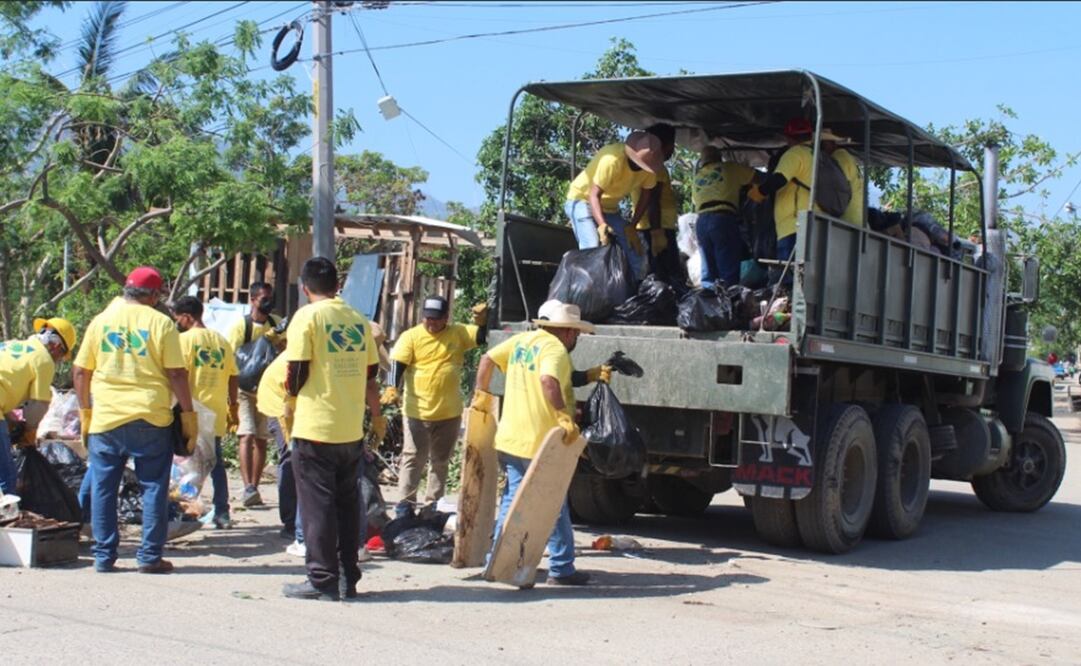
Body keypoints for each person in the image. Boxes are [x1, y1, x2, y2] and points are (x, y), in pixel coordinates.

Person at [473, 299, 611, 587]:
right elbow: (549, 381)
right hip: (540, 442)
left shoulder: (522, 341)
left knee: (512, 502)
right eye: (576, 333)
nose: (577, 338)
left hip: (511, 438)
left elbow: (487, 359)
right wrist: (562, 414)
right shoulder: (555, 349)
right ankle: (561, 568)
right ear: (568, 331)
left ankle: (496, 562)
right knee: (553, 502)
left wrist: (481, 395)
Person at [72, 266, 197, 574]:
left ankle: (104, 556)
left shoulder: (101, 321)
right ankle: (150, 557)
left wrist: (85, 410)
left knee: (103, 487)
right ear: (153, 295)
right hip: (150, 417)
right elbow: (176, 373)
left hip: (107, 418)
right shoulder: (161, 323)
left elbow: (80, 371)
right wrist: (188, 413)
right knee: (153, 486)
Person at [281, 257, 386, 601]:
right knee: (347, 506)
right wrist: (374, 414)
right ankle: (347, 578)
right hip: (350, 429)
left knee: (317, 508)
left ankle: (322, 580)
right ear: (338, 285)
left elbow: (296, 369)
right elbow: (370, 373)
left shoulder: (308, 317)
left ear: (304, 288)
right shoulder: (357, 320)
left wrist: (289, 400)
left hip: (315, 427)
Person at [382, 296, 488, 506]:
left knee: (440, 462)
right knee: (413, 458)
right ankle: (405, 506)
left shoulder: (458, 333)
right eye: (428, 318)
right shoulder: (411, 337)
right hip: (417, 412)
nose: (431, 323)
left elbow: (483, 337)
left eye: (436, 319)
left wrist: (483, 322)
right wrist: (392, 387)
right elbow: (397, 364)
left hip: (449, 414)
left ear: (446, 317)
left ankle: (433, 506)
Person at [171, 296, 239, 530]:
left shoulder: (184, 341)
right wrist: (233, 406)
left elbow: (177, 374)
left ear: (187, 317)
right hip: (215, 413)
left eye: (178, 319)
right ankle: (222, 512)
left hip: (189, 412)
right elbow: (233, 375)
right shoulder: (221, 341)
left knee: (182, 465)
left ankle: (180, 509)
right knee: (215, 463)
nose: (177, 323)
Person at [565, 130, 664, 281]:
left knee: (635, 249)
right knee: (593, 246)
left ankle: (637, 287)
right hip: (582, 200)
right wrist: (602, 225)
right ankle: (589, 288)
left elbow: (646, 197)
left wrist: (632, 226)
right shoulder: (612, 159)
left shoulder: (649, 170)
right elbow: (593, 195)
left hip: (610, 209)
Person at [0, 317, 77, 494]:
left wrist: (12, 420)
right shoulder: (44, 360)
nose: (59, 360)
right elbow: (38, 404)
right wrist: (29, 430)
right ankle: (8, 510)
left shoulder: (11, 345)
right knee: (6, 477)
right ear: (56, 346)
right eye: (61, 356)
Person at [227, 281, 280, 509]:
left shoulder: (275, 322)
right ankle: (248, 485)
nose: (268, 303)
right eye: (263, 299)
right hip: (244, 390)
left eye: (270, 298)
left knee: (261, 438)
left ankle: (254, 488)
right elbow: (231, 359)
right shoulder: (241, 326)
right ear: (252, 300)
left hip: (266, 390)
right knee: (246, 435)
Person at [692, 146, 759, 289]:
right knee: (727, 268)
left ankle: (709, 298)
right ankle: (730, 297)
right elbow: (758, 178)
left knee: (708, 269)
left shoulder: (698, 176)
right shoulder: (730, 168)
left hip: (701, 221)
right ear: (719, 157)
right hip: (722, 218)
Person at [633, 123, 684, 284]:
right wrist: (657, 233)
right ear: (666, 145)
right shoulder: (657, 167)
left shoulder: (640, 164)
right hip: (658, 227)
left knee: (652, 278)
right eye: (672, 144)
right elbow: (652, 200)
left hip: (644, 227)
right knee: (667, 279)